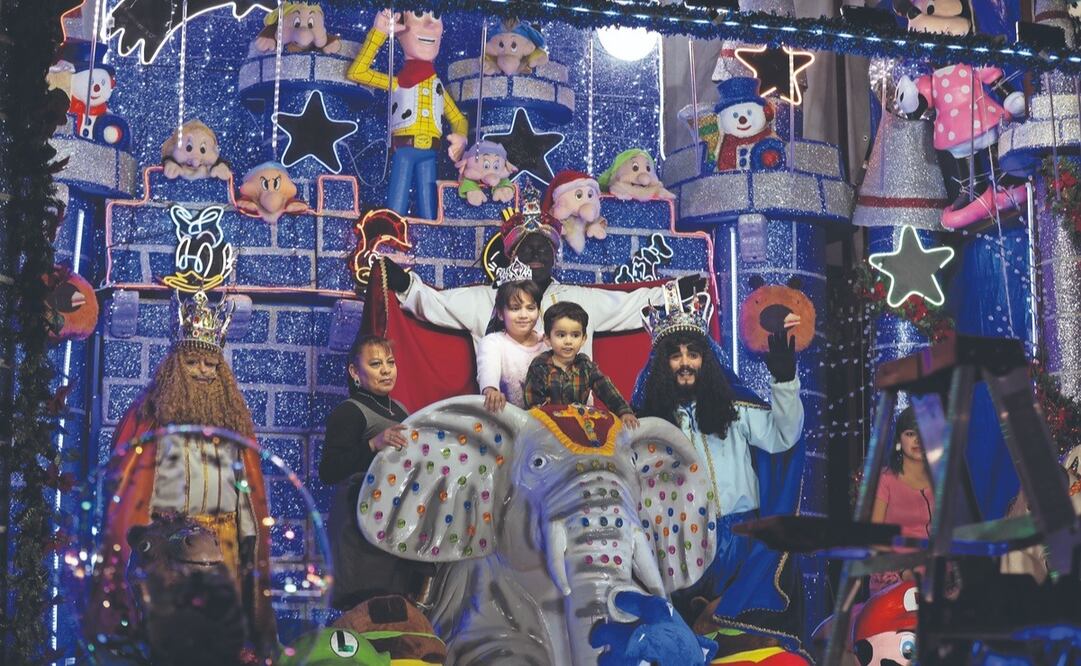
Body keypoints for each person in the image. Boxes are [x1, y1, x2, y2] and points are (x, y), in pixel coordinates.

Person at [85, 290, 275, 652]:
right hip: (168, 542)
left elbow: (247, 489)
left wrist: (252, 538)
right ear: (175, 366)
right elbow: (127, 487)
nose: (203, 372)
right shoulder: (148, 418)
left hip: (223, 543)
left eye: (212, 366)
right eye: (193, 363)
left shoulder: (234, 423)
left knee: (221, 635)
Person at [632, 285, 805, 655]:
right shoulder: (647, 427)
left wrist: (784, 382)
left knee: (750, 644)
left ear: (706, 360)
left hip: (741, 540)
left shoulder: (736, 407)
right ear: (662, 365)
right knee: (688, 649)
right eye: (675, 356)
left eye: (693, 354)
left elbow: (784, 437)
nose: (684, 363)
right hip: (679, 545)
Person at [377, 182, 707, 359]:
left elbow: (632, 305)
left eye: (544, 247)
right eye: (527, 246)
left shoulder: (580, 301)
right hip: (509, 426)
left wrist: (673, 294)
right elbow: (436, 305)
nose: (536, 252)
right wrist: (403, 283)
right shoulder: (486, 301)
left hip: (574, 424)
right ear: (511, 255)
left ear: (554, 256)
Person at [318, 334, 433, 611]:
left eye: (390, 363)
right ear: (355, 372)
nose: (385, 370)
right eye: (375, 363)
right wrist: (373, 444)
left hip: (394, 527)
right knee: (367, 611)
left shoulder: (401, 410)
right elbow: (329, 471)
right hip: (360, 532)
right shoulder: (350, 412)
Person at [347, 9, 468, 219]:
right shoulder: (399, 82)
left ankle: (429, 241)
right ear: (401, 29)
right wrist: (379, 33)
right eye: (420, 15)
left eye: (436, 17)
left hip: (430, 152)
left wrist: (461, 137)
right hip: (404, 149)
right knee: (396, 206)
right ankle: (392, 235)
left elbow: (458, 118)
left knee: (429, 206)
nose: (430, 26)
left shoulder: (437, 86)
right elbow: (357, 72)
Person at [523, 301, 639, 429]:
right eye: (561, 335)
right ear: (547, 339)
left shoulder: (585, 366)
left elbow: (605, 388)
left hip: (581, 428)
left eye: (575, 335)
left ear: (583, 338)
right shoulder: (540, 366)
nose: (568, 341)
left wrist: (624, 411)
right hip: (549, 430)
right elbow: (533, 405)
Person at [869, 406, 934, 594]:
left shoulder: (940, 478)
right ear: (899, 439)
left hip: (933, 573)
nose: (918, 440)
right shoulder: (885, 480)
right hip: (893, 575)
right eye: (910, 433)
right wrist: (904, 572)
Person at [477, 276, 548, 411]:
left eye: (530, 308)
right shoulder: (493, 342)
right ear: (500, 313)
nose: (523, 315)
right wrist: (491, 390)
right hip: (508, 422)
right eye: (515, 308)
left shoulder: (548, 340)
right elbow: (487, 372)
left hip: (548, 422)